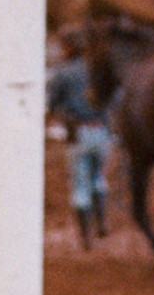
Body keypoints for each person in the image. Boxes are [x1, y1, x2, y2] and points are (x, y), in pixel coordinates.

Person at [46, 31, 112, 249]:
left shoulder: (63, 74)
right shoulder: (98, 71)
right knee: (98, 178)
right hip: (102, 131)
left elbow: (51, 105)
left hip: (78, 133)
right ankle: (101, 223)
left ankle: (86, 238)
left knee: (80, 185)